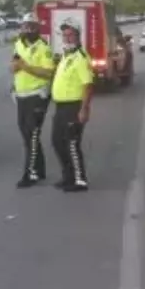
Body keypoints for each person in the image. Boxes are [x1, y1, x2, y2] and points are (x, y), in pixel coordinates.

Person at [11, 18, 56, 188]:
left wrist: (25, 67)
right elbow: (14, 64)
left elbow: (47, 73)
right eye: (25, 26)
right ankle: (40, 169)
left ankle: (30, 174)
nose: (28, 29)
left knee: (32, 134)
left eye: (31, 27)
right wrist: (14, 67)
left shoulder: (44, 48)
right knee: (26, 135)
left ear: (37, 28)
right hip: (21, 95)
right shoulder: (18, 44)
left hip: (38, 95)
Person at [50, 22, 94, 192]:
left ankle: (79, 180)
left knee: (72, 144)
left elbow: (88, 85)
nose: (67, 38)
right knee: (57, 142)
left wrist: (84, 108)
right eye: (65, 35)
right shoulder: (66, 56)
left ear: (77, 37)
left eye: (71, 35)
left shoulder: (81, 58)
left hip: (73, 107)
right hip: (61, 107)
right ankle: (68, 176)